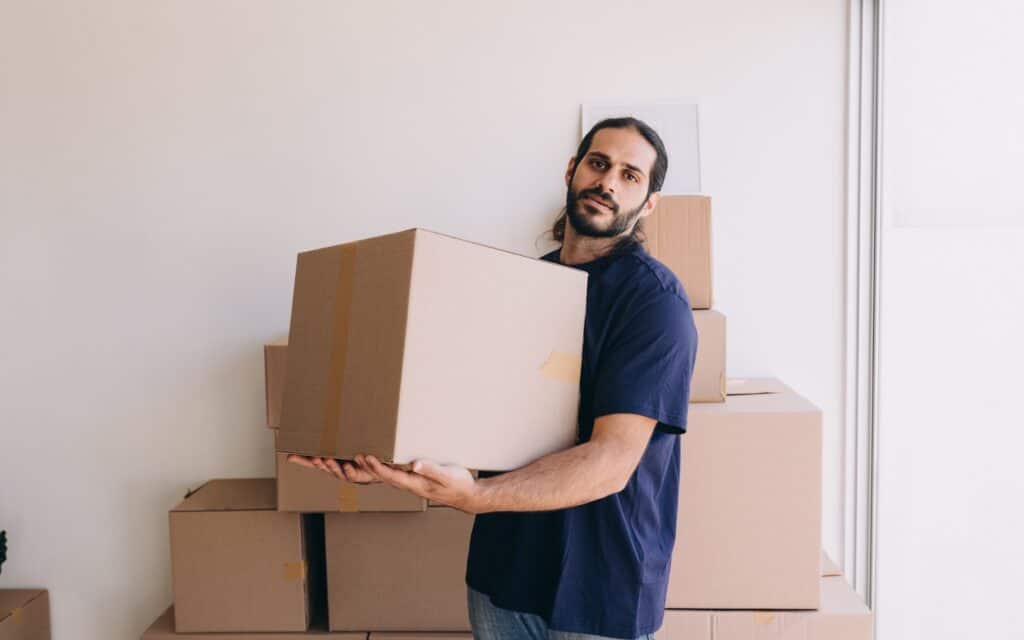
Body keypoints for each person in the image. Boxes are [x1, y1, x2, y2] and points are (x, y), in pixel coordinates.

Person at [289, 117, 698, 640]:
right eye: (598, 164)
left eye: (630, 175)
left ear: (649, 202)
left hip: (598, 593)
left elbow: (611, 462)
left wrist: (474, 498)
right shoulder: (525, 285)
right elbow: (481, 422)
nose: (608, 182)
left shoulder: (653, 304)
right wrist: (388, 459)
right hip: (502, 577)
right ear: (572, 170)